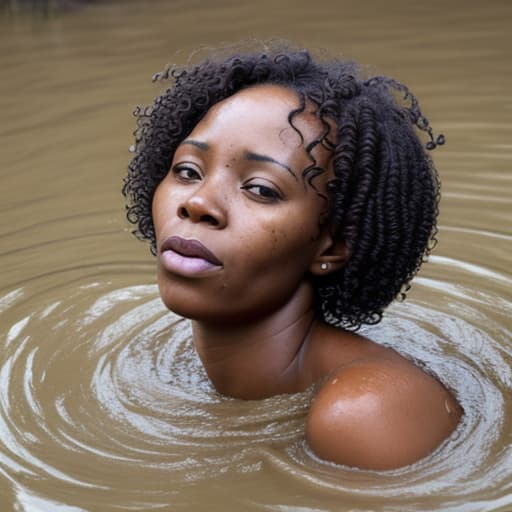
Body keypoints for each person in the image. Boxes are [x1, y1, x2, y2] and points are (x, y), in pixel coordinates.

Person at [122, 45, 462, 470]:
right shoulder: (172, 359)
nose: (197, 202)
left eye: (261, 189)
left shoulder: (364, 413)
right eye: (188, 170)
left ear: (331, 247)